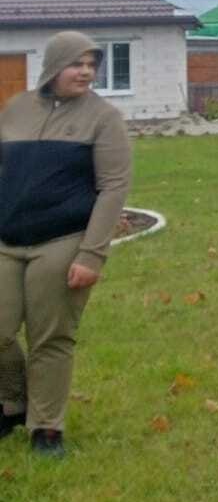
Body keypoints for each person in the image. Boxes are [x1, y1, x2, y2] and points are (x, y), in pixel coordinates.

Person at [0, 31, 132, 455]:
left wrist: (92, 254)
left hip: (63, 241)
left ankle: (46, 427)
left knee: (50, 337)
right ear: (55, 66)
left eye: (92, 64)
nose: (87, 71)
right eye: (78, 63)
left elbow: (113, 188)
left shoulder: (103, 117)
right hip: (6, 240)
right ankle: (13, 402)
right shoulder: (17, 108)